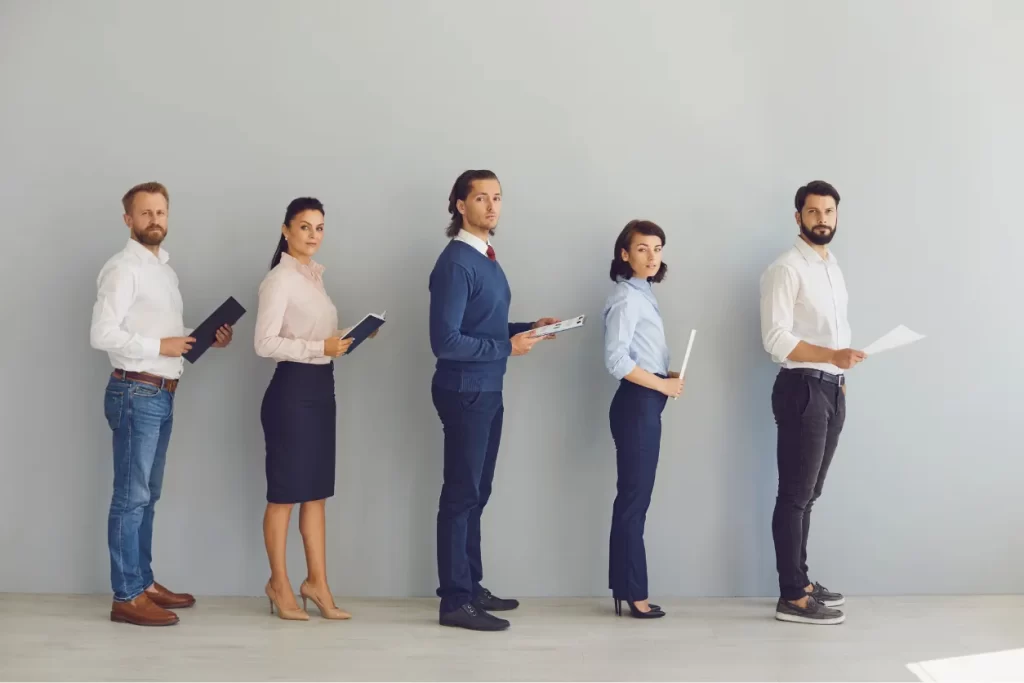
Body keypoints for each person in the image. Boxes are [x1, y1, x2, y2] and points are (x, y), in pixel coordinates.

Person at [90, 182, 234, 626]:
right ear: (128, 220)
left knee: (147, 496)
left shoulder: (164, 271)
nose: (155, 220)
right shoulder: (122, 269)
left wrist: (202, 339)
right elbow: (102, 334)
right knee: (130, 497)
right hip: (136, 391)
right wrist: (161, 345)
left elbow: (167, 338)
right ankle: (126, 596)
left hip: (162, 392)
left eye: (161, 212)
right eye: (145, 213)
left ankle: (143, 582)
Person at [428, 170, 559, 631]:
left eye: (497, 197)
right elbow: (444, 341)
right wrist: (507, 347)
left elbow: (480, 327)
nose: (491, 206)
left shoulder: (485, 257)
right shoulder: (456, 263)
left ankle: (471, 587)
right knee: (461, 495)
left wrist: (526, 329)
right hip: (465, 390)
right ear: (460, 205)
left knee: (476, 494)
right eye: (481, 198)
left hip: (486, 388)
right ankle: (454, 601)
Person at [254, 197, 377, 621]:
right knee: (285, 495)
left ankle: (317, 584)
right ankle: (279, 583)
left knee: (317, 494)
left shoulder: (314, 278)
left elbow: (316, 337)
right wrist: (319, 347)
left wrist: (351, 335)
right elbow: (264, 343)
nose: (313, 235)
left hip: (323, 390)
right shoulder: (279, 280)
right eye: (305, 226)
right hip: (291, 393)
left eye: (320, 227)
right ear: (286, 230)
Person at [759, 180, 867, 625]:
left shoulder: (831, 266)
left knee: (810, 494)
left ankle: (801, 582)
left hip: (831, 388)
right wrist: (830, 358)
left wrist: (839, 375)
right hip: (801, 387)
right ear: (798, 217)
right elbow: (775, 338)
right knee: (794, 495)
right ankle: (792, 597)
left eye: (829, 211)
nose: (822, 219)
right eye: (813, 211)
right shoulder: (786, 269)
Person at [602, 220, 683, 620]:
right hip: (637, 405)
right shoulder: (627, 298)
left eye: (657, 249)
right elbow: (616, 360)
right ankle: (635, 594)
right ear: (625, 254)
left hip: (646, 401)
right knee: (634, 502)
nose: (652, 257)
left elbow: (641, 354)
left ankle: (626, 588)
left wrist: (664, 376)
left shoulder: (643, 293)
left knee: (633, 500)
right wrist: (661, 384)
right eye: (642, 249)